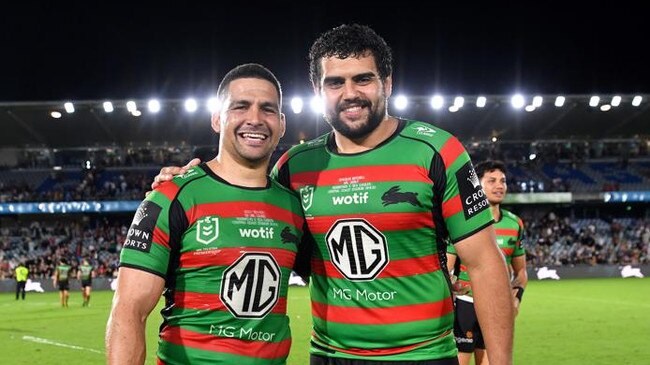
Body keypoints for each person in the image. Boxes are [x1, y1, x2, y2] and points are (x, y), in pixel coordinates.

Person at [152, 24, 514, 365]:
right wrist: (187, 180)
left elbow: (485, 264)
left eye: (363, 79)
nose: (350, 93)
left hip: (423, 354)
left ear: (387, 83)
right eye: (335, 82)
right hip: (329, 354)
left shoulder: (438, 151)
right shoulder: (295, 167)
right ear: (317, 91)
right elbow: (243, 203)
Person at [106, 63, 305, 365]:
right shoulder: (172, 197)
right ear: (216, 119)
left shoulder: (294, 206)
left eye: (267, 109)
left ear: (282, 123)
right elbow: (128, 311)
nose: (255, 119)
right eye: (240, 106)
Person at [447, 160, 527, 365]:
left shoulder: (514, 223)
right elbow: (446, 269)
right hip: (464, 307)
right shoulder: (460, 221)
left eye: (503, 181)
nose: (499, 186)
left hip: (497, 308)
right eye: (491, 181)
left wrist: (516, 299)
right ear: (477, 185)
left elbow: (521, 272)